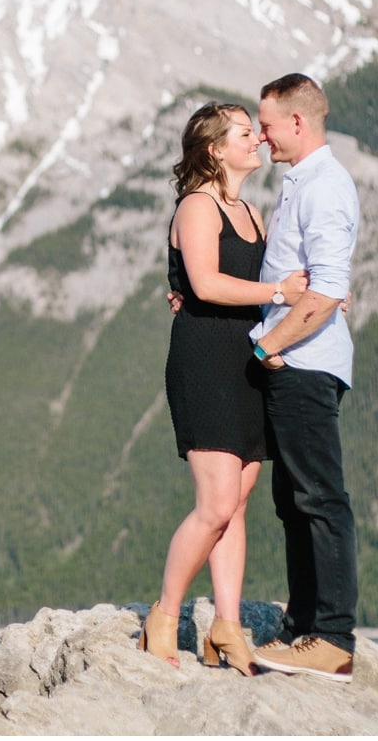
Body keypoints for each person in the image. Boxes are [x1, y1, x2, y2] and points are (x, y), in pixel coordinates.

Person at [139, 102, 308, 675]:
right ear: (215, 149)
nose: (257, 140)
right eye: (244, 133)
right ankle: (164, 616)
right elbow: (207, 285)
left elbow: (263, 282)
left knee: (236, 505)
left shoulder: (251, 212)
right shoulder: (197, 205)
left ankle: (226, 628)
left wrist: (313, 295)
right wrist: (279, 292)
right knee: (213, 504)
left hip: (248, 363)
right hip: (205, 361)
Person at [246, 72, 361, 682]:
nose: (262, 137)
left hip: (306, 365)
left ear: (298, 121)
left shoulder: (325, 188)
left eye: (266, 125)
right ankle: (302, 629)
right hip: (296, 363)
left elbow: (324, 294)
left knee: (319, 499)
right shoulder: (300, 186)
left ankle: (334, 638)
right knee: (293, 501)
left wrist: (267, 345)